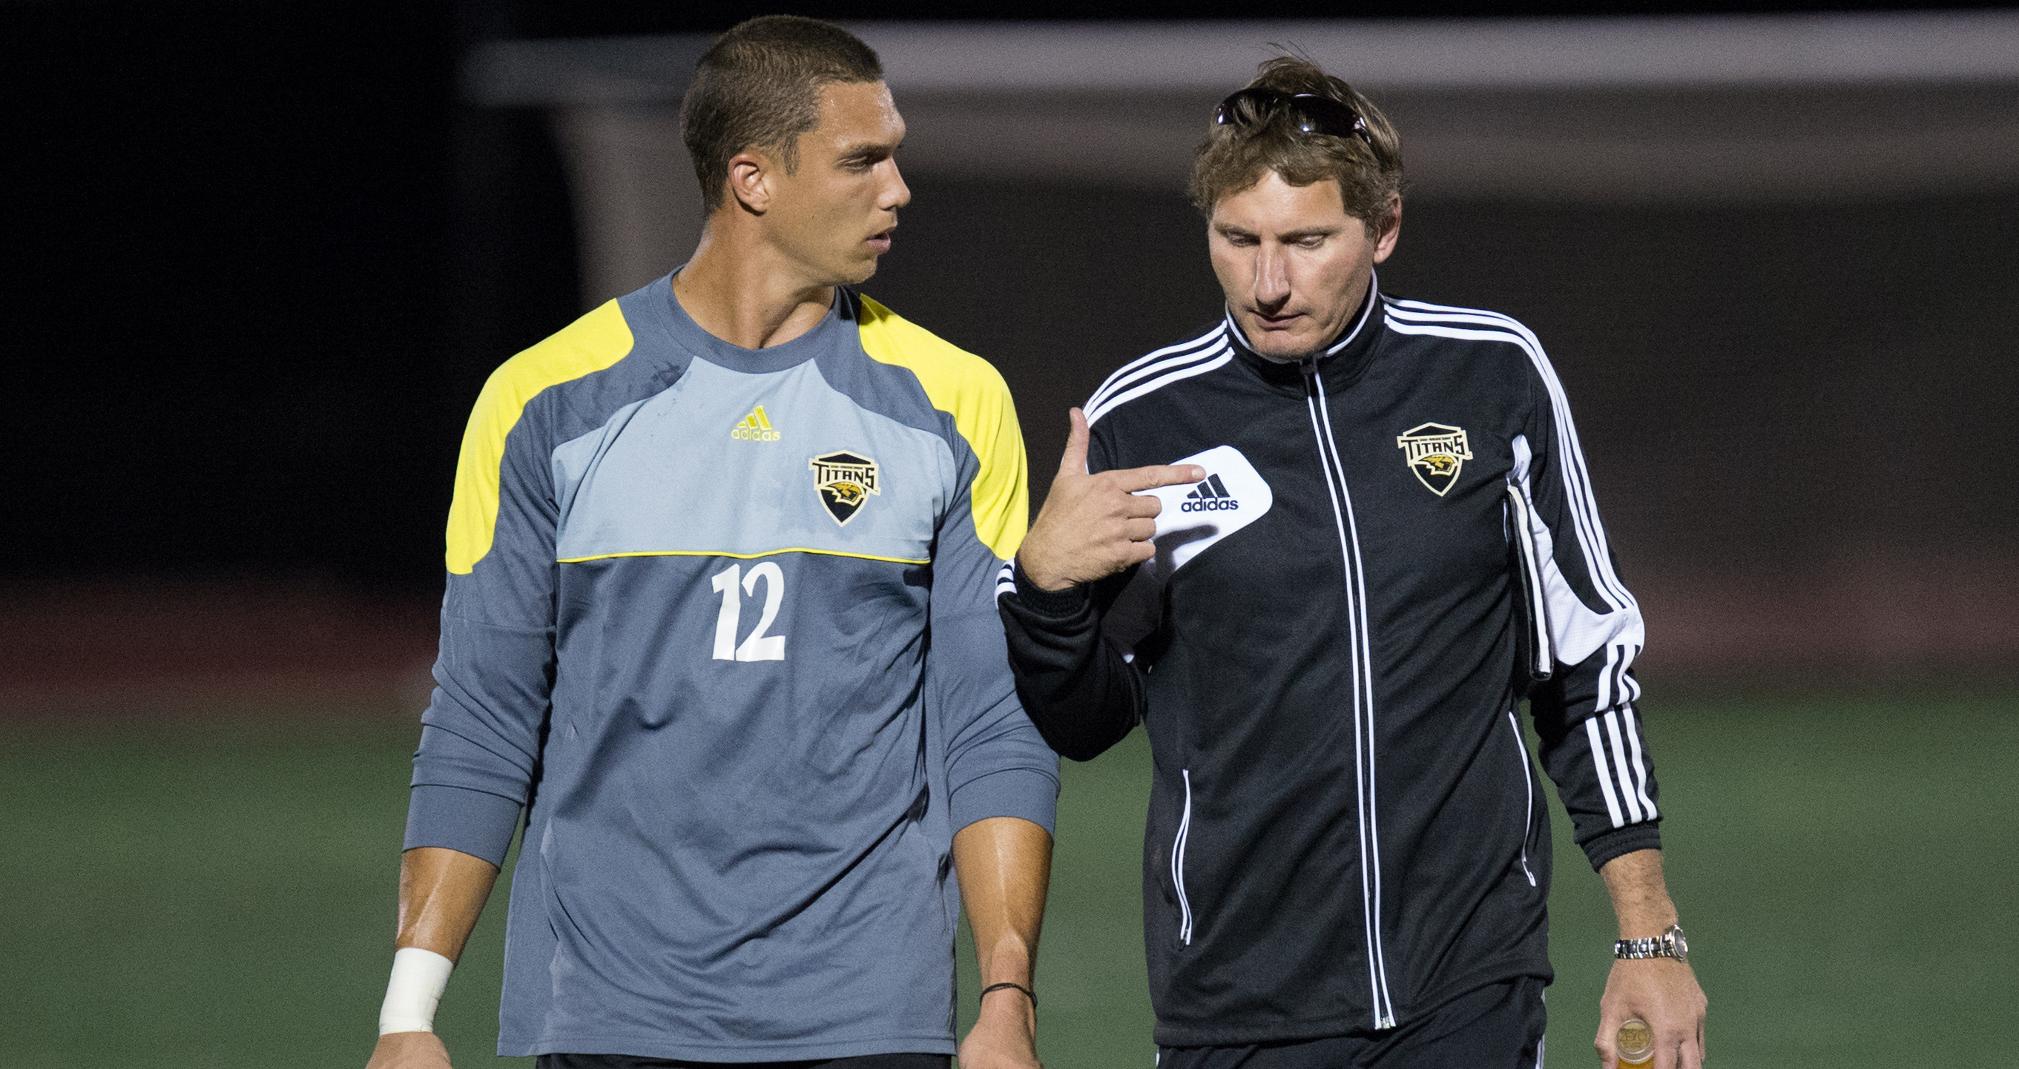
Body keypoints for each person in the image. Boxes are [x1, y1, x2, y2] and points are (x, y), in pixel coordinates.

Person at [366, 17, 1057, 1069]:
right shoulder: (542, 404)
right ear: (752, 178)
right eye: (862, 159)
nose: (899, 188)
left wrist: (1007, 995)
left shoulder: (954, 403)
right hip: (610, 1015)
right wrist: (407, 1016)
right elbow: (482, 717)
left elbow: (991, 722)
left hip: (869, 1016)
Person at [999, 56, 1707, 1069]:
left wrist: (1648, 934)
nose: (1268, 282)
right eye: (1237, 239)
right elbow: (1081, 721)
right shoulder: (1141, 420)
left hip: (1469, 983)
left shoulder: (1491, 376)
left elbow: (1586, 668)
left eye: (1306, 241)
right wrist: (1046, 590)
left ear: (1383, 230)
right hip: (1235, 1000)